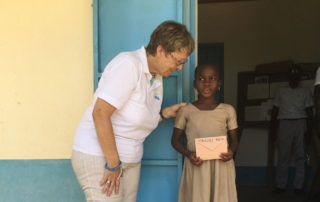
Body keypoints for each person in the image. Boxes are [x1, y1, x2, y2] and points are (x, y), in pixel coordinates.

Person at [71, 20, 194, 202]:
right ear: (160, 50)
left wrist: (164, 113)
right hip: (100, 155)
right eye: (178, 61)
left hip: (129, 158)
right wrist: (113, 164)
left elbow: (134, 119)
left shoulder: (156, 77)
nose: (180, 67)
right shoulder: (129, 65)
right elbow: (100, 113)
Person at [171, 63, 238, 202]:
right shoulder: (186, 110)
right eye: (201, 79)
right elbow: (175, 141)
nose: (207, 83)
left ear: (219, 83)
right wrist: (189, 154)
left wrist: (231, 151)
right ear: (195, 83)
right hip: (197, 165)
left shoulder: (228, 110)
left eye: (212, 79)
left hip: (221, 166)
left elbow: (235, 140)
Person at [270, 66, 313, 194]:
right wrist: (273, 130)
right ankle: (280, 186)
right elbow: (275, 111)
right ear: (288, 77)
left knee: (300, 156)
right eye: (292, 76)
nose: (294, 78)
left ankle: (299, 187)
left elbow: (310, 111)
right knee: (283, 156)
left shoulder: (305, 90)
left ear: (299, 77)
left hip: (301, 123)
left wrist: (309, 131)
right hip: (284, 124)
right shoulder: (281, 90)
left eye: (297, 76)